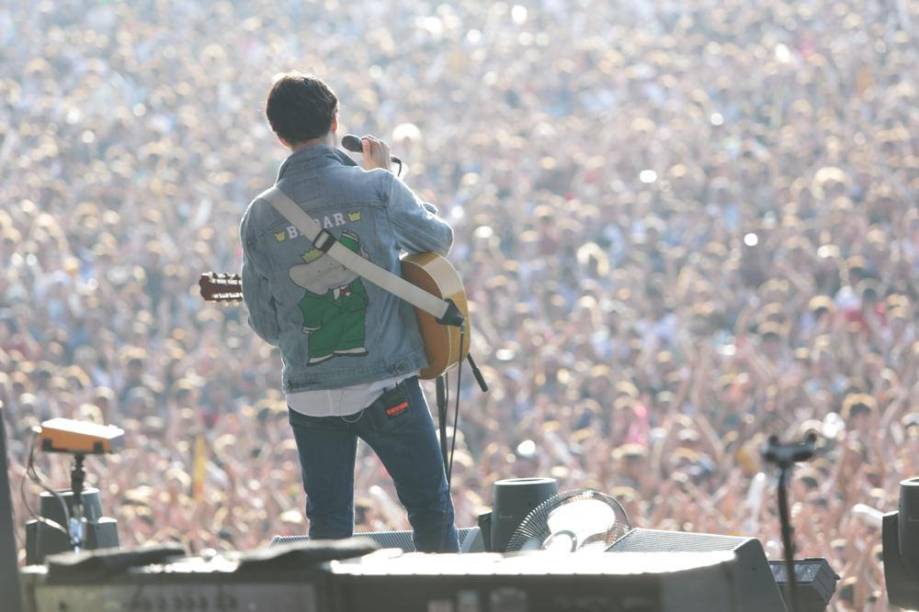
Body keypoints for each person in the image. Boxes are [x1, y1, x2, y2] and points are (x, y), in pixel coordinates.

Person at [238, 73, 459, 552]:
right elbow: (436, 239)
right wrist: (391, 179)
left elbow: (266, 324)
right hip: (386, 386)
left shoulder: (259, 216)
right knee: (429, 509)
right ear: (336, 121)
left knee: (329, 531)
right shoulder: (376, 188)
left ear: (278, 134)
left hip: (310, 397)